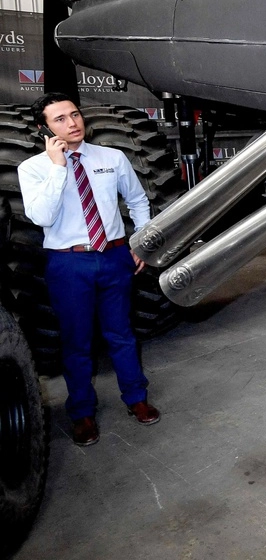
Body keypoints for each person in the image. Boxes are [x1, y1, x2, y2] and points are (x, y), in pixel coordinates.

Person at [18, 93, 160, 446]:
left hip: (114, 258)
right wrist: (58, 168)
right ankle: (82, 414)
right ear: (44, 130)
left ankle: (137, 399)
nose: (72, 123)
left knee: (121, 334)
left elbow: (138, 199)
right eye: (60, 119)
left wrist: (139, 240)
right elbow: (41, 217)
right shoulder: (33, 169)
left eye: (75, 114)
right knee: (76, 343)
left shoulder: (112, 157)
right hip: (68, 264)